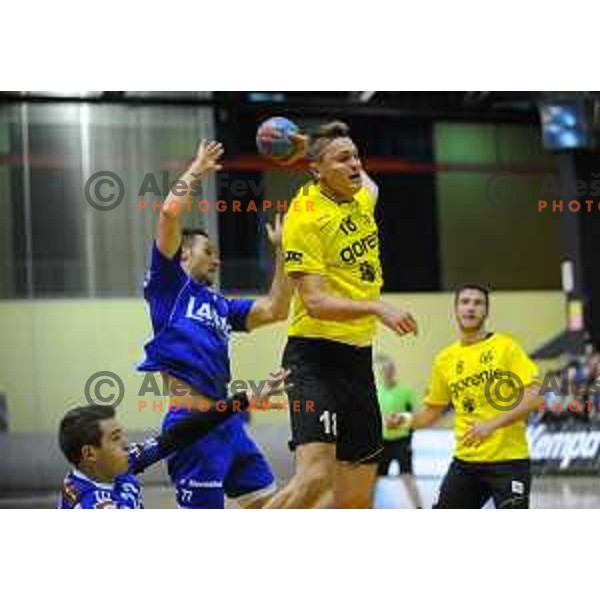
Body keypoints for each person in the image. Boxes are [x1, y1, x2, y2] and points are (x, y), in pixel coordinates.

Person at [263, 121, 418, 509]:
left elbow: (372, 186)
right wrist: (376, 306)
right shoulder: (305, 215)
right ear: (316, 169)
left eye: (357, 157)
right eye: (344, 158)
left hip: (357, 360)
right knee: (314, 478)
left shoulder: (361, 198)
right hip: (313, 359)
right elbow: (314, 301)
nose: (355, 165)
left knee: (354, 499)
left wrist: (313, 142)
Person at [138, 139, 292, 509]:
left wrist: (283, 253)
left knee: (271, 509)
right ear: (184, 253)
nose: (217, 261)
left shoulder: (221, 305)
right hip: (191, 424)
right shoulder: (168, 285)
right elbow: (169, 216)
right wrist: (198, 168)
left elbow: (276, 309)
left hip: (229, 423)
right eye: (209, 252)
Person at [58, 369, 289, 509]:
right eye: (115, 438)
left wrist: (246, 399)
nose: (126, 444)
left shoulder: (118, 464)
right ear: (90, 453)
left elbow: (181, 434)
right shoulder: (94, 504)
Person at [402, 284, 541, 509]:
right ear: (456, 309)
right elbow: (432, 413)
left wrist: (490, 425)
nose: (471, 308)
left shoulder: (506, 347)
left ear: (486, 311)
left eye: (478, 303)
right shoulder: (445, 360)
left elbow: (534, 395)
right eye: (465, 302)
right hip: (466, 463)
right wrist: (406, 420)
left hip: (509, 462)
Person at [375, 355, 423, 509]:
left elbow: (416, 415)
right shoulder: (377, 392)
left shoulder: (406, 391)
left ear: (394, 371)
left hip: (402, 441)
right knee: (372, 478)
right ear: (381, 373)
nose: (387, 372)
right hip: (383, 442)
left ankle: (419, 509)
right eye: (384, 370)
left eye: (390, 369)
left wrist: (400, 423)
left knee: (407, 476)